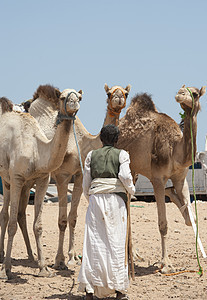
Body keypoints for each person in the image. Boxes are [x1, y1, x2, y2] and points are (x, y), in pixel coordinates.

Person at [78, 124, 135, 300]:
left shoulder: (91, 155)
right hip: (115, 201)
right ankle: (119, 291)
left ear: (101, 139)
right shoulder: (122, 155)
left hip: (95, 200)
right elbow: (125, 176)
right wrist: (131, 191)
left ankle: (89, 291)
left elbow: (86, 182)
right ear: (117, 140)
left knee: (93, 244)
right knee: (116, 243)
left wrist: (91, 196)